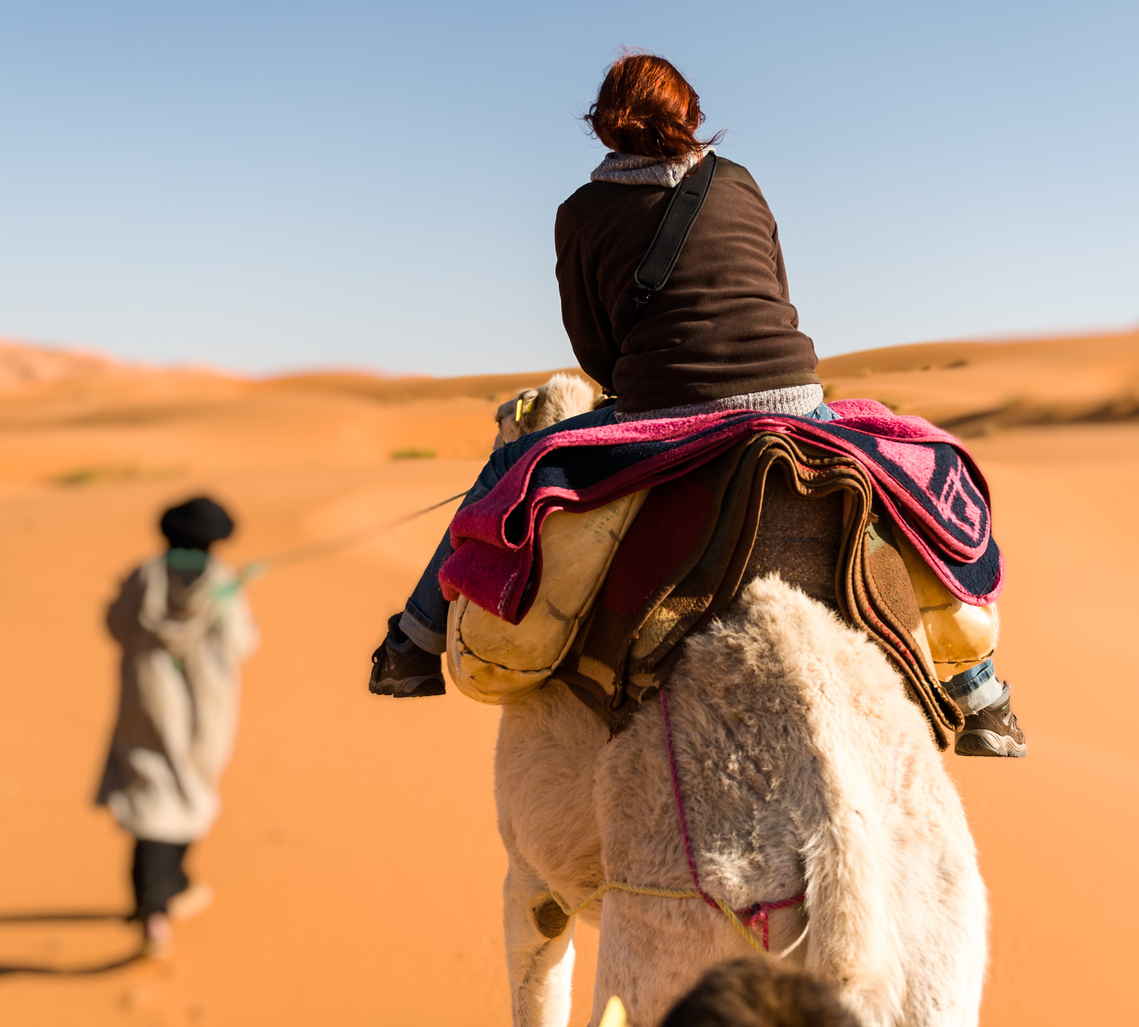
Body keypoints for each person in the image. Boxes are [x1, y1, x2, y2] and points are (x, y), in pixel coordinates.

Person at [366, 53, 1024, 758]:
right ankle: (978, 692)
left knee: (512, 467)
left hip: (668, 414)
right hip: (798, 403)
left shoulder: (581, 211)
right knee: (908, 487)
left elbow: (593, 346)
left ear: (603, 125)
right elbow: (775, 290)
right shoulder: (739, 181)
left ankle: (415, 643)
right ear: (692, 114)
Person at [96, 496, 258, 957]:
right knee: (188, 794)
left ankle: (159, 901)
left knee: (153, 799)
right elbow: (243, 643)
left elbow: (114, 624)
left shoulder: (142, 576)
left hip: (148, 707)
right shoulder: (224, 583)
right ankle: (157, 910)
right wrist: (233, 596)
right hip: (206, 713)